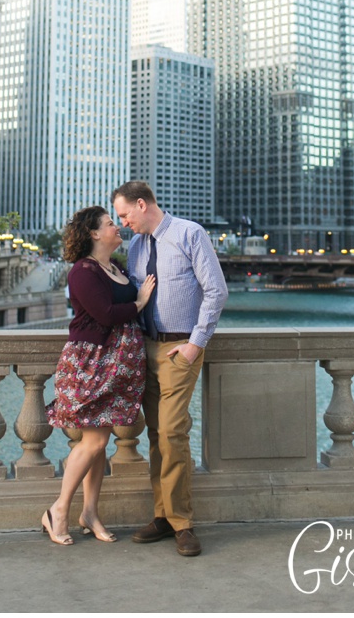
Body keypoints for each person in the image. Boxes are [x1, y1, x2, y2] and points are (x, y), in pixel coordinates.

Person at [114, 179, 225, 557]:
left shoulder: (189, 233)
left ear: (142, 204)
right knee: (157, 433)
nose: (123, 222)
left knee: (173, 432)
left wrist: (196, 344)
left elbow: (216, 291)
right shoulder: (136, 246)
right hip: (145, 348)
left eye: (125, 214)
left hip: (180, 349)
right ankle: (162, 516)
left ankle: (182, 522)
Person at [43, 205, 154, 546]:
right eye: (110, 224)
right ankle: (58, 511)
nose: (118, 227)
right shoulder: (82, 272)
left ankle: (90, 512)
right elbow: (105, 315)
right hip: (90, 364)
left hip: (117, 366)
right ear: (93, 233)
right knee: (93, 441)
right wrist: (139, 302)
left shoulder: (116, 266)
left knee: (100, 442)